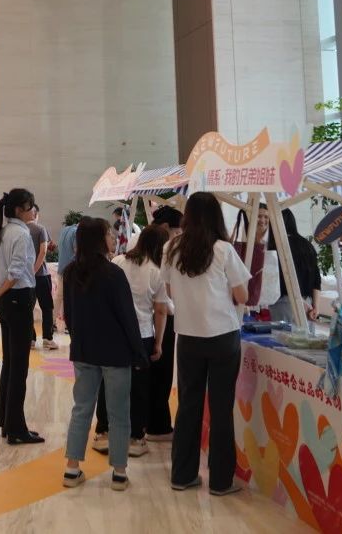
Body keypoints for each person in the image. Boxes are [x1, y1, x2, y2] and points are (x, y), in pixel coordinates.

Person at [163, 191, 250, 495]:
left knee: (188, 406)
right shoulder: (224, 249)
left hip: (187, 337)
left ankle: (182, 475)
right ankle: (221, 481)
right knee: (221, 408)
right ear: (216, 216)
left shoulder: (171, 248)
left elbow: (170, 292)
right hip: (223, 336)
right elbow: (243, 296)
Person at [62, 217, 148, 492]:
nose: (113, 238)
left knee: (81, 409)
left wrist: (78, 340)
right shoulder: (113, 274)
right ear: (99, 240)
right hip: (115, 353)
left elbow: (69, 315)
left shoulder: (71, 272)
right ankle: (119, 473)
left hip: (84, 351)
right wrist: (138, 352)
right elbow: (127, 317)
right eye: (109, 234)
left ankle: (72, 469)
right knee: (119, 412)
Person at [92, 223, 170, 458]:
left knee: (108, 383)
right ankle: (136, 437)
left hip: (113, 333)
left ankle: (103, 432)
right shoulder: (156, 272)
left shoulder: (117, 262)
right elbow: (160, 311)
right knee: (139, 388)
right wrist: (158, 342)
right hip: (142, 334)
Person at [0, 188, 43, 444]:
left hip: (6, 302)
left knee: (10, 363)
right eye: (30, 206)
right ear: (20, 210)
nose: (33, 211)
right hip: (17, 299)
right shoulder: (20, 234)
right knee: (18, 366)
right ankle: (16, 429)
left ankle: (7, 422)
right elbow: (17, 270)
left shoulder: (3, 232)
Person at [146, 204, 182, 441]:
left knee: (151, 375)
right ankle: (158, 427)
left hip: (146, 320)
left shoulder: (143, 243)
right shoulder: (162, 249)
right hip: (160, 318)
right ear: (167, 227)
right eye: (178, 231)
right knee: (161, 373)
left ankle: (149, 423)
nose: (180, 236)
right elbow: (162, 301)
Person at [267, 208, 322, 325]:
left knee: (282, 336)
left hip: (283, 303)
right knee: (306, 336)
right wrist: (315, 307)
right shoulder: (307, 245)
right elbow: (316, 280)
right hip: (308, 306)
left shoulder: (276, 246)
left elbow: (279, 279)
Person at [232, 204, 270, 310]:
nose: (262, 220)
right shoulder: (242, 237)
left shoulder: (273, 242)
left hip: (267, 302)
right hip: (241, 299)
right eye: (259, 216)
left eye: (266, 217)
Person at [29, 205, 55, 350]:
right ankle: (47, 339)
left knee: (28, 308)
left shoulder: (20, 229)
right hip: (41, 275)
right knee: (47, 307)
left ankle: (31, 339)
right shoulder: (40, 229)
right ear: (36, 214)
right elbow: (44, 250)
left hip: (26, 277)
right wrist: (35, 270)